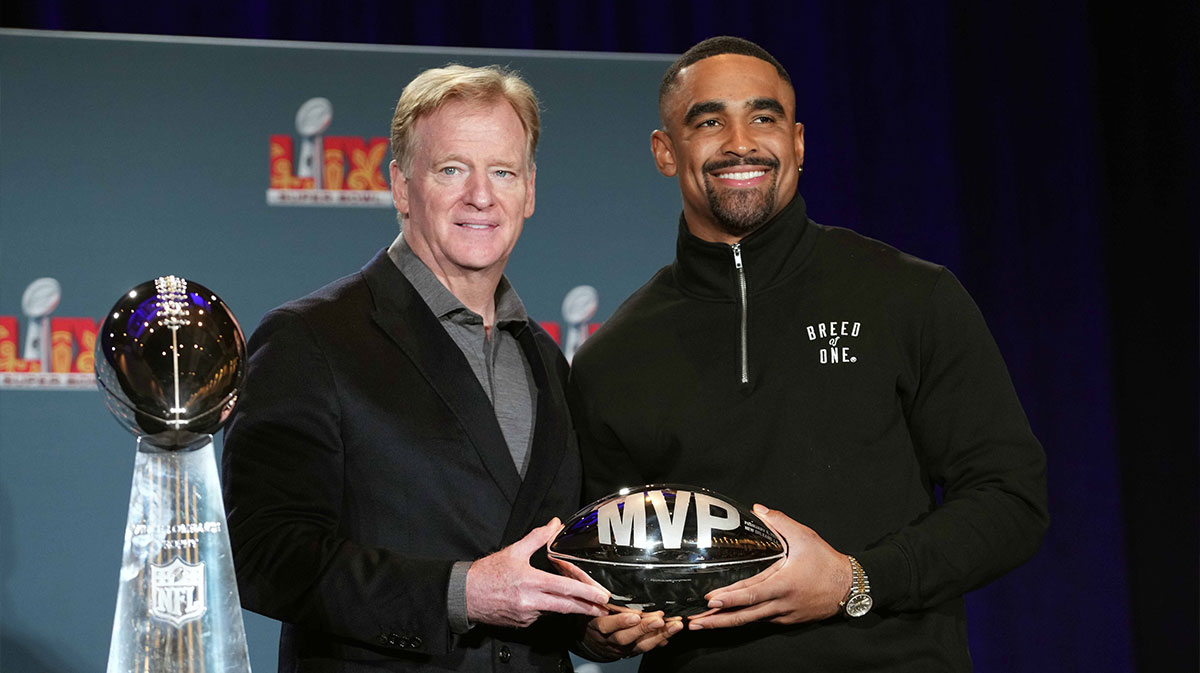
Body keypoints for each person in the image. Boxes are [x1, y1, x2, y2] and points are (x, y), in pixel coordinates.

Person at [567, 36, 1049, 671]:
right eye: (709, 121)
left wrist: (855, 581)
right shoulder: (613, 356)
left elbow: (1010, 500)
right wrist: (595, 631)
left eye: (763, 117)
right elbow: (591, 567)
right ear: (665, 152)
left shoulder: (909, 295)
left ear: (797, 142)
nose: (740, 142)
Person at [221, 64, 613, 673]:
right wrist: (463, 593)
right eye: (452, 169)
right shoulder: (310, 339)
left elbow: (547, 558)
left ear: (529, 190)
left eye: (503, 171)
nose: (480, 195)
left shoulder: (546, 358)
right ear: (402, 187)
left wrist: (595, 628)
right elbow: (263, 554)